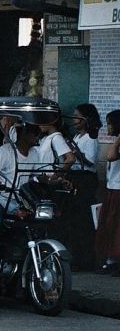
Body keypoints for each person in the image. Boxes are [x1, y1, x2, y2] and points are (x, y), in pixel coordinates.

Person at [0, 122, 42, 245]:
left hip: (18, 201)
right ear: (24, 134)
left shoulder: (35, 153)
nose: (37, 136)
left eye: (38, 133)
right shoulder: (5, 151)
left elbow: (39, 176)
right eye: (34, 133)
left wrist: (57, 180)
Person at [64, 104, 102, 270]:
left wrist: (75, 152)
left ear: (86, 119)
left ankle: (86, 260)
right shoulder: (78, 137)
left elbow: (89, 162)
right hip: (76, 178)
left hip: (85, 180)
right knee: (74, 220)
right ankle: (77, 257)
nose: (74, 120)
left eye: (77, 116)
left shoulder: (90, 138)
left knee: (83, 221)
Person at [95, 109, 120, 275]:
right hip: (113, 187)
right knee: (110, 226)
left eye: (110, 124)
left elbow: (110, 156)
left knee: (116, 227)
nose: (107, 127)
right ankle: (111, 260)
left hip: (118, 188)